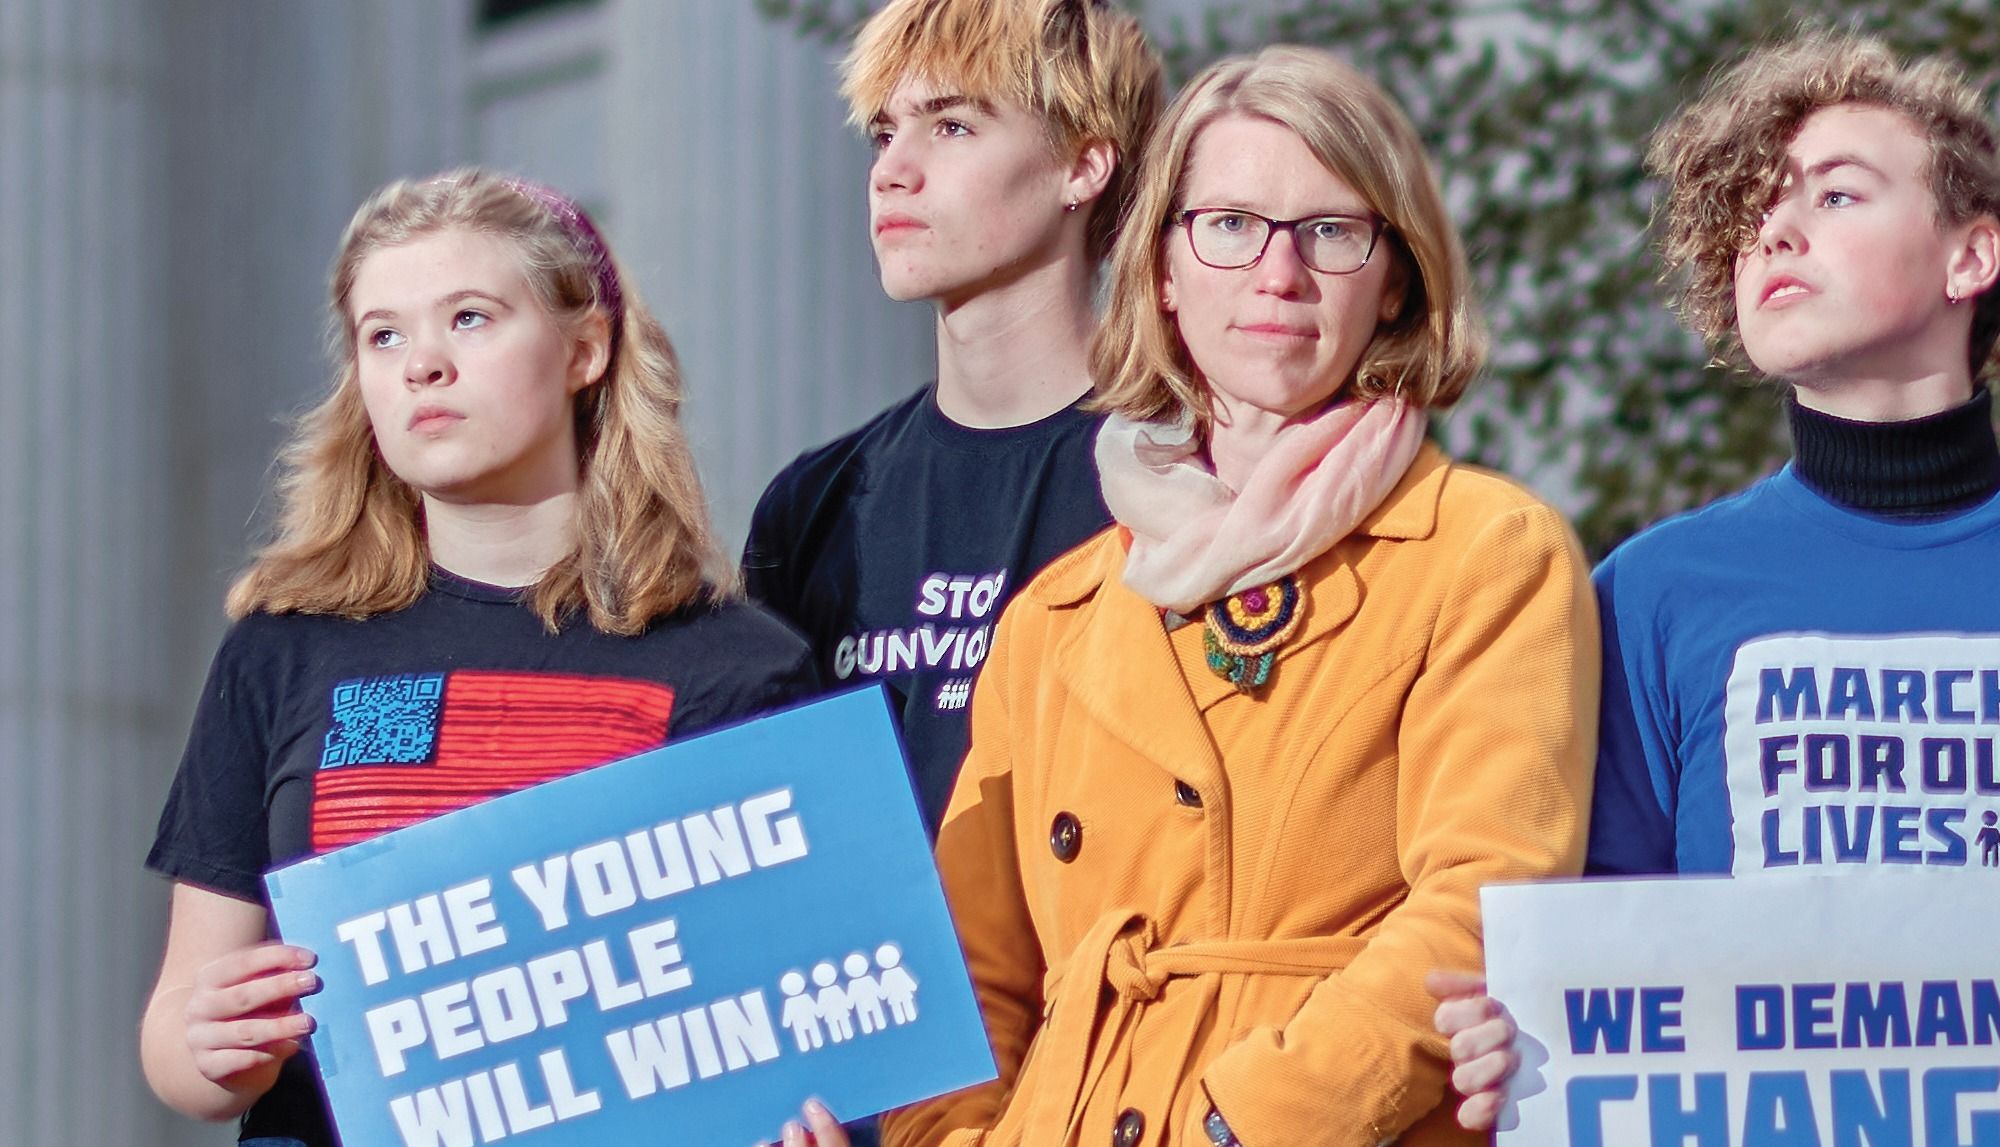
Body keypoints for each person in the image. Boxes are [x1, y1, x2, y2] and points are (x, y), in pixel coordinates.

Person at [869, 46, 1599, 1147]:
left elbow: (1480, 905)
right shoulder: (1055, 614)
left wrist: (1238, 1124)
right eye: (1228, 225)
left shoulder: (1484, 552)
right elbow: (967, 984)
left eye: (1330, 231)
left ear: (1393, 276)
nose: (1277, 275)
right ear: (1162, 267)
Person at [1430, 30, 2000, 1130]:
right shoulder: (1651, 594)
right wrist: (1511, 1032)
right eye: (1758, 210)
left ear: (1968, 257)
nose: (1777, 229)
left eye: (1838, 195)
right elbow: (1597, 963)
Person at [138, 170, 816, 1147]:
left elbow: (787, 1022)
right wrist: (207, 1049)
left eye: (468, 318)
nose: (422, 364)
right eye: (384, 334)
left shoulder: (734, 666)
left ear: (585, 350)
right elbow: (178, 1031)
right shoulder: (283, 649)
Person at [741, 0, 1163, 836]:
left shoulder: (1177, 472)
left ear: (1083, 165)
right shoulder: (814, 504)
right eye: (883, 132)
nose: (892, 169)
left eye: (953, 127)